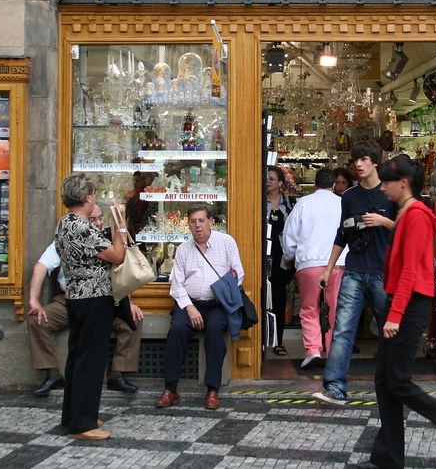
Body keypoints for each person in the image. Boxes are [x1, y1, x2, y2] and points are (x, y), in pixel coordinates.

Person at [360, 154, 436, 469]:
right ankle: (388, 459)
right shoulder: (408, 212)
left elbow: (410, 270)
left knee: (397, 381)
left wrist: (395, 315)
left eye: (386, 182)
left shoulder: (416, 215)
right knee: (385, 381)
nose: (382, 187)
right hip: (401, 301)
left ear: (403, 183)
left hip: (409, 304)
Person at [27, 203, 144, 397]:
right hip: (69, 299)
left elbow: (121, 272)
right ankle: (52, 373)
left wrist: (128, 303)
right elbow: (41, 266)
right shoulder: (70, 236)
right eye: (92, 219)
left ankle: (118, 373)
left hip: (107, 300)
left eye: (100, 219)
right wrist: (34, 300)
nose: (98, 224)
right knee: (37, 319)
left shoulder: (108, 239)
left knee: (133, 320)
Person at [314, 140, 396, 405]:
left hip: (383, 272)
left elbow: (408, 230)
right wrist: (329, 268)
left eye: (363, 159)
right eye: (355, 160)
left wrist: (385, 221)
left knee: (391, 330)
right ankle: (335, 387)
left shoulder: (390, 192)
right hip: (354, 270)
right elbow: (342, 233)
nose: (358, 164)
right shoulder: (349, 196)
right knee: (342, 330)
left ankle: (396, 383)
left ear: (375, 162)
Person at [52, 173, 128, 441]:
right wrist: (120, 224)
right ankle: (83, 424)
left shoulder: (64, 224)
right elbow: (117, 256)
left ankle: (73, 414)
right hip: (94, 298)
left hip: (75, 297)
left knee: (76, 357)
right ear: (87, 197)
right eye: (92, 194)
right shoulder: (82, 227)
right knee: (91, 361)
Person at [154, 203, 244, 411]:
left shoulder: (226, 242)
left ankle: (212, 390)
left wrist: (225, 292)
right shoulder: (184, 249)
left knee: (215, 332)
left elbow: (238, 273)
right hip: (190, 304)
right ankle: (170, 389)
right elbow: (176, 284)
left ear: (211, 221)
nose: (197, 226)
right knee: (176, 330)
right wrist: (189, 308)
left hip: (216, 305)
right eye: (193, 222)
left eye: (201, 221)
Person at [280, 168, 346, 368]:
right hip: (337, 263)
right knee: (335, 308)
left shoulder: (303, 203)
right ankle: (333, 350)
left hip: (309, 263)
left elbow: (289, 236)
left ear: (315, 184)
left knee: (309, 309)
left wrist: (288, 257)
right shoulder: (342, 203)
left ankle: (313, 350)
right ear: (334, 184)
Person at [265, 165, 295, 355]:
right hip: (262, 256)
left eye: (272, 179)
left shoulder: (290, 204)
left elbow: (295, 232)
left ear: (281, 183)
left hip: (282, 258)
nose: (268, 182)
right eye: (266, 178)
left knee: (278, 299)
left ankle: (278, 341)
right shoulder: (260, 202)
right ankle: (259, 340)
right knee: (261, 298)